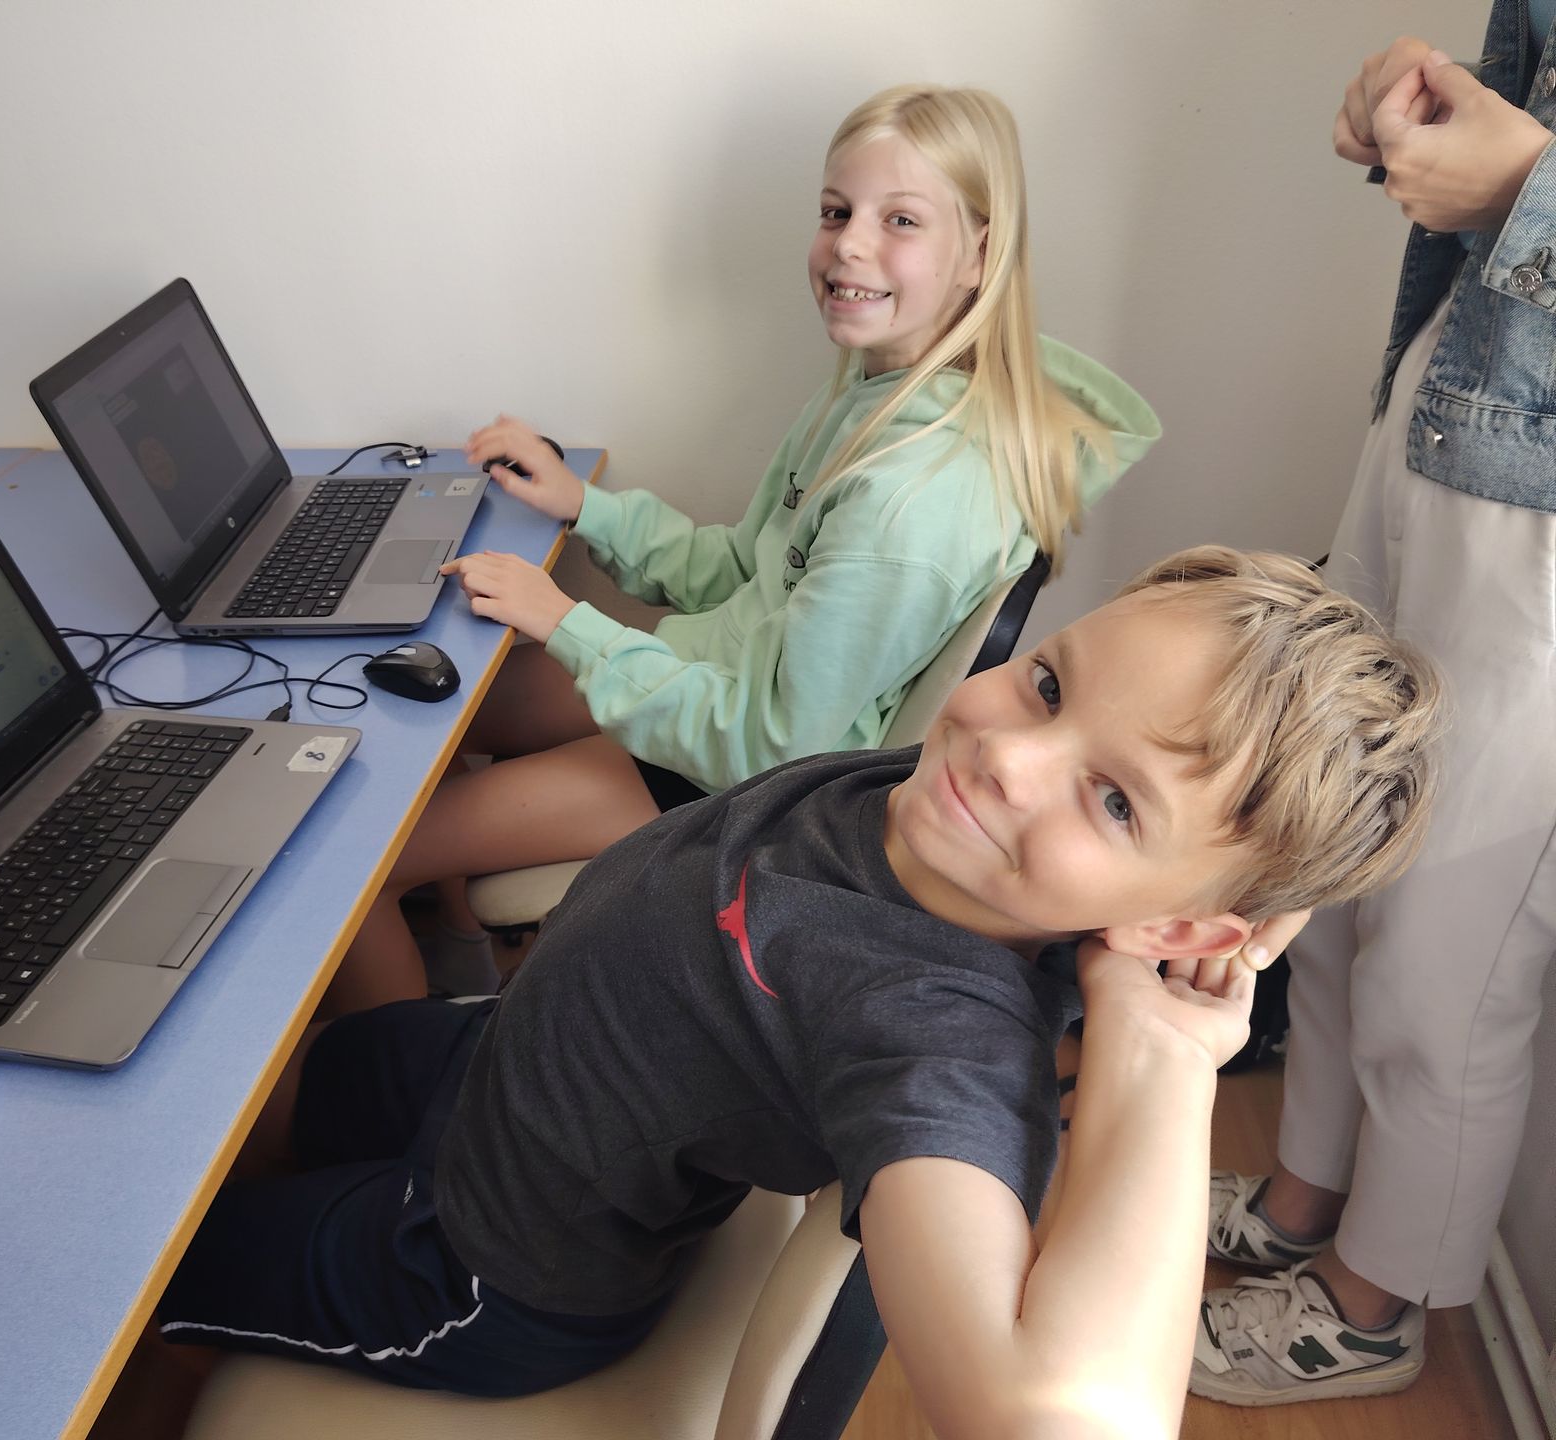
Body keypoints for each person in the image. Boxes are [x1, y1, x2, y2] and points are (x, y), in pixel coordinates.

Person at [149, 547, 1442, 1438]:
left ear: (1173, 921)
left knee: (146, 1269)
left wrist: (1162, 1048)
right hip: (502, 1070)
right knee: (251, 1106)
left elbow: (1059, 1421)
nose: (1008, 753)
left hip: (475, 1267)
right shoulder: (949, 814)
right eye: (1049, 683)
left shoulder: (929, 1025)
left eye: (1113, 802)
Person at [327, 83, 1162, 1013]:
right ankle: (460, 967)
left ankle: (409, 1073)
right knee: (436, 704)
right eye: (837, 212)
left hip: (735, 778)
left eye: (899, 220)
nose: (850, 245)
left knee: (352, 858)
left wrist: (566, 622)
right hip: (715, 691)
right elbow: (745, 571)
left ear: (979, 254)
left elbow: (778, 742)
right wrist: (585, 506)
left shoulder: (913, 501)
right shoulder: (879, 396)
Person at [1190, 17, 1556, 1407]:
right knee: (1332, 844)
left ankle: (1372, 1303)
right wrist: (1438, 123)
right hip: (1453, 400)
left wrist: (1523, 185)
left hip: (1540, 511)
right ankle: (1306, 1196)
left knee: (1451, 947)